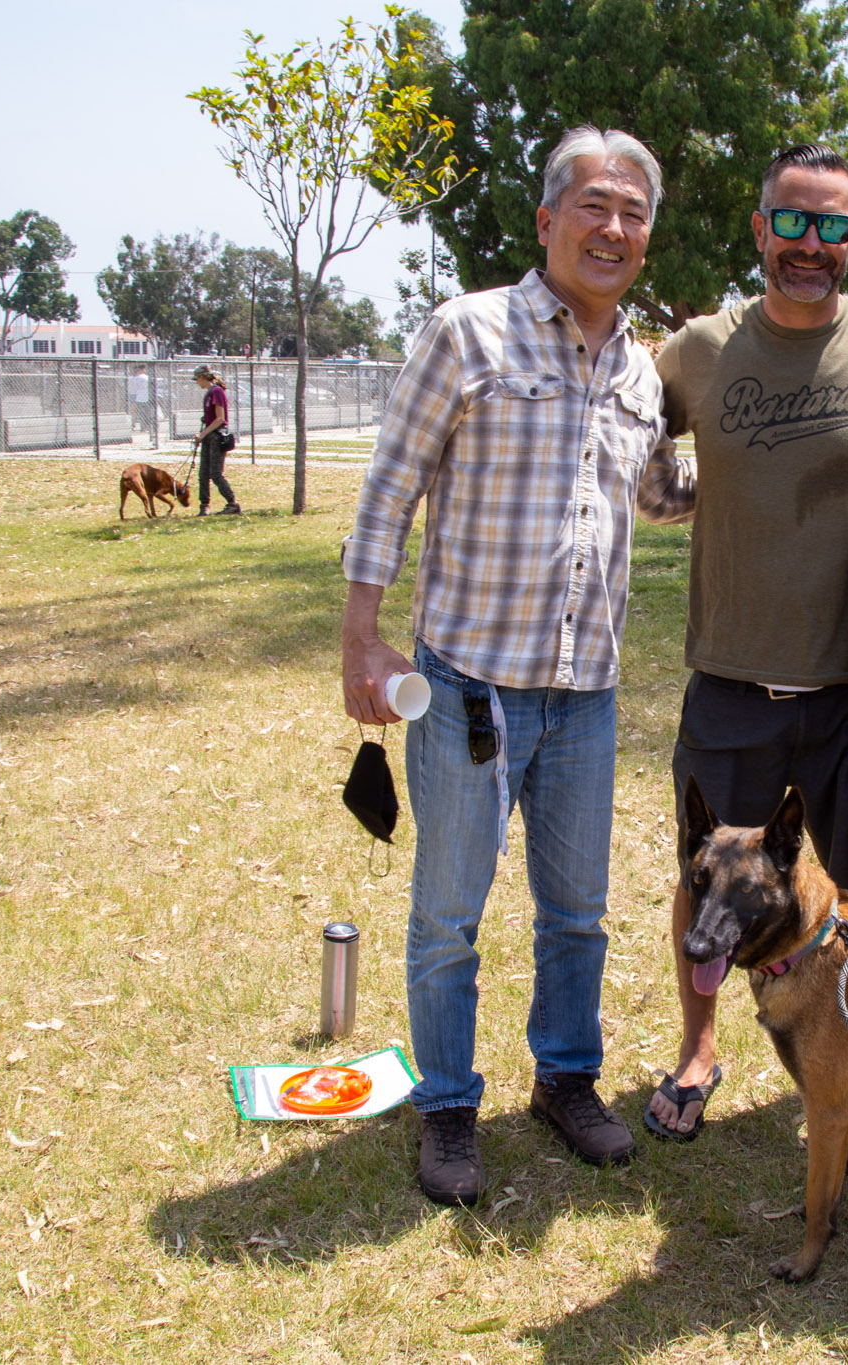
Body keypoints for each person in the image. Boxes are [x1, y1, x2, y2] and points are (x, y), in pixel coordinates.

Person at [339, 126, 693, 1207]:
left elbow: (656, 496)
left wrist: (761, 463)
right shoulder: (466, 334)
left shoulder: (641, 367)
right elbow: (390, 486)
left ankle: (565, 1081)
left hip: (586, 694)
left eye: (632, 212)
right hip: (468, 688)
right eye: (592, 205)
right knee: (450, 912)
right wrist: (361, 635)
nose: (614, 227)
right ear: (546, 222)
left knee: (575, 910)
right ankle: (446, 1103)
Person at [644, 144, 848, 1146]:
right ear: (760, 226)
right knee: (705, 887)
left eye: (833, 226)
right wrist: (675, 497)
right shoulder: (696, 348)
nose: (811, 245)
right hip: (727, 679)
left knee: (846, 893)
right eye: (792, 222)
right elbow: (630, 435)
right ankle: (696, 1049)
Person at [191, 367, 240, 515]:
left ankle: (232, 503)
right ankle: (204, 506)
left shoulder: (216, 392)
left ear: (202, 377)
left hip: (216, 437)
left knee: (215, 473)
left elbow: (220, 418)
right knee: (203, 474)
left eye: (197, 379)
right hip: (208, 436)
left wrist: (203, 433)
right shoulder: (209, 393)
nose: (197, 383)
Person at [128, 369, 155, 438]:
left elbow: (133, 388)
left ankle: (142, 427)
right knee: (148, 413)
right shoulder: (147, 378)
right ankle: (149, 427)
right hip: (147, 397)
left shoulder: (134, 379)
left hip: (139, 397)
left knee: (141, 414)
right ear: (143, 370)